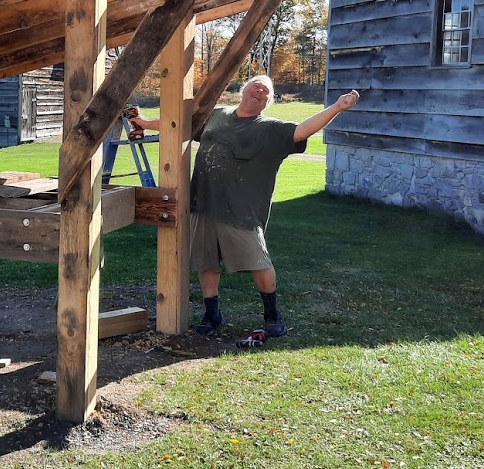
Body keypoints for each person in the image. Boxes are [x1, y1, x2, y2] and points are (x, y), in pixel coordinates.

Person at [134, 77, 360, 338]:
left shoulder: (269, 129)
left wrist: (337, 107)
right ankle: (212, 314)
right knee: (206, 262)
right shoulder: (216, 115)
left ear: (267, 102)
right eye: (256, 85)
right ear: (243, 90)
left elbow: (302, 130)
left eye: (266, 91)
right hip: (203, 203)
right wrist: (144, 123)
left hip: (241, 211)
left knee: (259, 261)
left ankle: (272, 315)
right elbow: (178, 126)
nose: (260, 90)